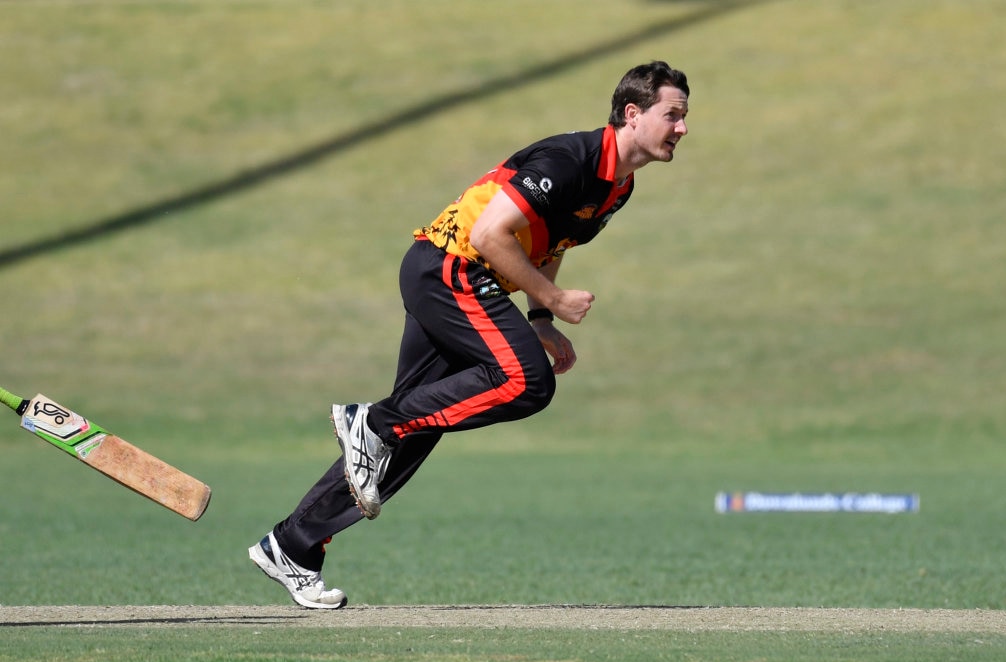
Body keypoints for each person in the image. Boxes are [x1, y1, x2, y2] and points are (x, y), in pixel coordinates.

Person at [248, 60, 690, 609]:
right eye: (673, 115)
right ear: (633, 113)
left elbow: (549, 245)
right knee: (527, 382)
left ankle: (292, 544)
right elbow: (489, 233)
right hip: (448, 268)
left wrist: (540, 319)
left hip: (461, 277)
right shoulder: (568, 160)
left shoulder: (618, 187)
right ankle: (372, 421)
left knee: (417, 427)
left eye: (684, 117)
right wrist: (553, 299)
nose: (682, 128)